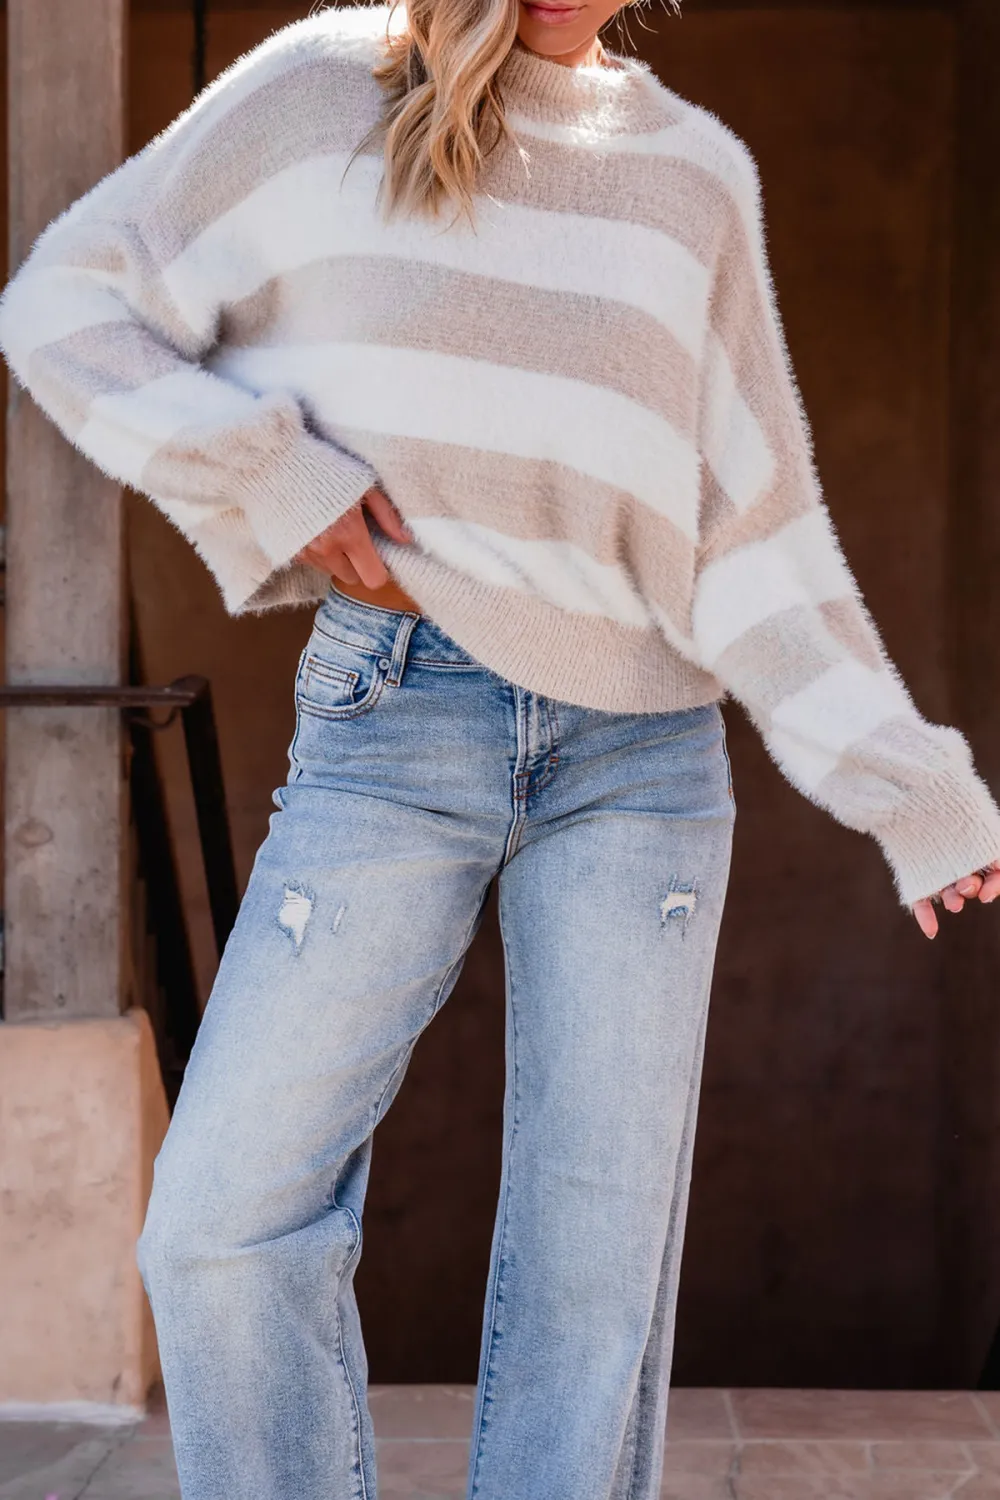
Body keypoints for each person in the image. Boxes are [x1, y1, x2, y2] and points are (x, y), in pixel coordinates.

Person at [1, 0, 998, 1494]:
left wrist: (908, 782)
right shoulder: (330, 89)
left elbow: (752, 534)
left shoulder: (690, 176)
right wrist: (278, 480)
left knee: (591, 1294)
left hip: (644, 761)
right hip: (395, 716)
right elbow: (66, 300)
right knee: (216, 1222)